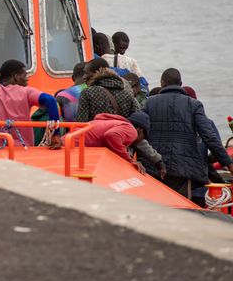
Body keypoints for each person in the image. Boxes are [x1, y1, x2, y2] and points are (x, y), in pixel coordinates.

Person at [140, 68, 233, 200]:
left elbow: (138, 129)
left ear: (162, 83)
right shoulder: (194, 105)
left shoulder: (150, 102)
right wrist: (228, 163)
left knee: (156, 206)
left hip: (154, 167)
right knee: (182, 208)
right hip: (183, 170)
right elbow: (209, 137)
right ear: (181, 83)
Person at [0, 59, 59, 147]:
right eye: (25, 75)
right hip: (23, 148)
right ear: (15, 76)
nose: (27, 79)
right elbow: (51, 100)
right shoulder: (27, 92)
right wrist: (55, 134)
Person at [81, 112, 162, 173]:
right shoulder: (131, 130)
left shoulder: (116, 123)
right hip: (79, 147)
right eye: (143, 137)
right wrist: (130, 160)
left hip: (72, 140)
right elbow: (111, 135)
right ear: (140, 130)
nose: (140, 141)